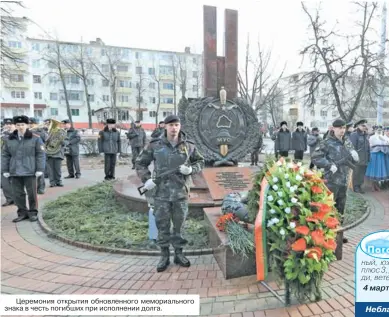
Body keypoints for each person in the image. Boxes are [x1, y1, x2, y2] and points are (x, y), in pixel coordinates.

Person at [135, 115, 205, 272]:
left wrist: (191, 169)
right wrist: (147, 179)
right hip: (161, 194)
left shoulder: (189, 145)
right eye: (171, 125)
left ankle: (179, 254)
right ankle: (164, 255)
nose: (174, 128)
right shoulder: (154, 145)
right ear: (165, 127)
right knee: (162, 226)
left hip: (180, 193)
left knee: (179, 226)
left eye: (177, 125)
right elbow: (140, 163)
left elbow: (200, 162)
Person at [311, 118, 359, 246]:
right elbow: (315, 157)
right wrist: (328, 165)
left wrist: (353, 153)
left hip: (343, 181)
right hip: (330, 181)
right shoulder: (326, 142)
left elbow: (351, 152)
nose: (342, 130)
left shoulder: (346, 141)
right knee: (328, 209)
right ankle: (327, 236)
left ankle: (338, 234)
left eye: (344, 128)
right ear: (333, 128)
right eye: (339, 128)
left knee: (340, 209)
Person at [1, 115, 45, 222]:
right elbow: (5, 155)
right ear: (15, 125)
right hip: (15, 171)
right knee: (17, 194)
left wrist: (40, 169)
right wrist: (5, 170)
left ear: (27, 125)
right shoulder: (9, 139)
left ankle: (33, 212)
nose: (20, 127)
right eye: (18, 125)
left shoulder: (35, 138)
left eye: (22, 124)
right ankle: (22, 213)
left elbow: (41, 154)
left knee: (32, 194)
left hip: (30, 171)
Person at [349, 119, 370, 194]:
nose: (365, 127)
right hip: (357, 158)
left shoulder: (366, 135)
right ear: (358, 126)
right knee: (357, 172)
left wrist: (368, 157)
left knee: (362, 173)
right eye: (363, 125)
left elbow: (368, 147)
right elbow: (352, 147)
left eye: (365, 125)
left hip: (365, 158)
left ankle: (359, 185)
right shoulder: (354, 135)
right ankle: (355, 187)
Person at [365, 127, 389, 191]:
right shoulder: (372, 137)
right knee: (374, 170)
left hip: (381, 155)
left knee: (379, 171)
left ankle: (377, 185)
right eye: (377, 129)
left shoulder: (384, 137)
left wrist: (385, 141)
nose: (379, 131)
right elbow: (369, 145)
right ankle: (373, 185)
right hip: (374, 155)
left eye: (380, 130)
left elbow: (387, 145)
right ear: (375, 130)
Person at [29, 117, 48, 194]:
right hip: (30, 153)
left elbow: (45, 138)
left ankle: (41, 188)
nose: (30, 125)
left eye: (32, 123)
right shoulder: (28, 131)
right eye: (29, 123)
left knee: (40, 171)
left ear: (36, 124)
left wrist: (34, 131)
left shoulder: (41, 131)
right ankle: (34, 188)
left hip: (39, 153)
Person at [1, 118, 15, 206]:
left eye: (10, 124)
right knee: (4, 182)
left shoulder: (16, 133)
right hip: (3, 160)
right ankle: (9, 199)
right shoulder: (2, 133)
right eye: (6, 124)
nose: (8, 125)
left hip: (13, 160)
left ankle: (17, 199)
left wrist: (6, 135)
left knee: (15, 181)